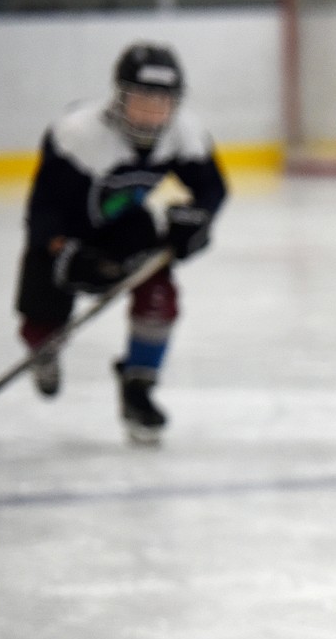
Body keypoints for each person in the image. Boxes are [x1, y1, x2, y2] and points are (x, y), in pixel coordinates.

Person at [13, 40, 227, 444]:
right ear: (119, 97)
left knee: (159, 294)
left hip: (124, 228)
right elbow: (43, 210)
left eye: (163, 102)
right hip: (67, 235)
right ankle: (43, 350)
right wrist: (62, 251)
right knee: (41, 323)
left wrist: (196, 221)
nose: (152, 112)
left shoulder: (185, 134)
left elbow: (211, 190)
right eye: (141, 100)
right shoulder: (78, 134)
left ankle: (138, 390)